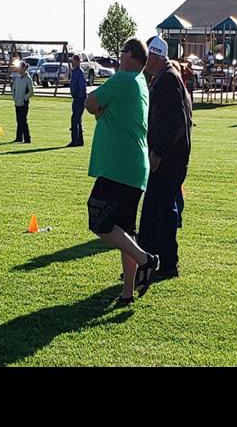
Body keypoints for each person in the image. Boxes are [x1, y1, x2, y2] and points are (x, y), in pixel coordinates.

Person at [84, 38, 160, 306]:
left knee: (98, 220)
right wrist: (101, 110)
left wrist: (100, 109)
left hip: (118, 167)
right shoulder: (140, 82)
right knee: (126, 230)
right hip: (135, 169)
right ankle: (127, 292)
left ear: (129, 55)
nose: (119, 56)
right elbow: (99, 109)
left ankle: (145, 259)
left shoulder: (123, 79)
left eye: (121, 52)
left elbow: (89, 103)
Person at [138, 35, 192, 280]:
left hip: (167, 160)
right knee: (167, 212)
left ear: (155, 56)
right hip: (176, 158)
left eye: (147, 57)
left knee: (153, 212)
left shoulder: (167, 79)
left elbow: (174, 121)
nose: (144, 63)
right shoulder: (170, 76)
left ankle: (144, 262)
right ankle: (168, 263)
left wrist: (158, 152)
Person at [12, 60, 34, 143]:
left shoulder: (28, 79)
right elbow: (13, 88)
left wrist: (25, 98)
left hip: (24, 103)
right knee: (18, 120)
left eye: (20, 69)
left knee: (23, 120)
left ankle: (27, 139)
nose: (18, 70)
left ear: (24, 68)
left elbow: (31, 92)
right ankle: (19, 138)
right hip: (17, 102)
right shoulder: (17, 78)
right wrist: (14, 97)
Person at [68, 54, 87, 147]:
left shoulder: (78, 72)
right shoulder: (75, 72)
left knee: (74, 120)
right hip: (77, 98)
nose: (72, 63)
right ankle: (80, 141)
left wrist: (79, 97)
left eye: (73, 61)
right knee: (78, 120)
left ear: (77, 62)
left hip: (79, 99)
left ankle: (75, 141)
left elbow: (82, 86)